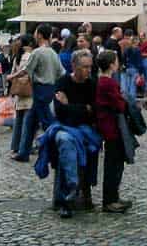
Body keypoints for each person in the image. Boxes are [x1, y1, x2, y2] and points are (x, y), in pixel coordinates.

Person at [43, 49, 99, 218]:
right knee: (66, 142)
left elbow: (94, 111)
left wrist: (71, 107)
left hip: (85, 130)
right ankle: (71, 188)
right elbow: (60, 112)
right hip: (64, 127)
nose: (88, 70)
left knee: (80, 144)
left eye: (90, 67)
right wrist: (83, 109)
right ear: (74, 65)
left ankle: (71, 191)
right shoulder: (62, 83)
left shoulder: (92, 84)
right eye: (84, 67)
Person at [12, 24, 65, 161]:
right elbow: (61, 72)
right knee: (30, 121)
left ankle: (59, 148)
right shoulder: (53, 53)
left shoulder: (37, 52)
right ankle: (24, 152)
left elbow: (26, 70)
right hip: (49, 88)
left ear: (40, 35)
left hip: (40, 89)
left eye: (36, 33)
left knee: (47, 122)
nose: (34, 35)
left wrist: (12, 76)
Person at [94, 50, 131, 213]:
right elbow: (120, 105)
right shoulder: (108, 83)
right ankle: (109, 199)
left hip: (109, 126)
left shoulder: (101, 81)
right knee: (113, 164)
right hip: (111, 128)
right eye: (116, 61)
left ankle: (113, 197)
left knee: (115, 163)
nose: (118, 63)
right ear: (111, 64)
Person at [7, 34, 36, 156]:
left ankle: (15, 145)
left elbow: (13, 72)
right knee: (27, 121)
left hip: (18, 90)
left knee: (18, 120)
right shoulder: (32, 56)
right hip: (29, 90)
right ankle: (26, 146)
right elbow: (31, 73)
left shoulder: (18, 56)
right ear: (30, 43)